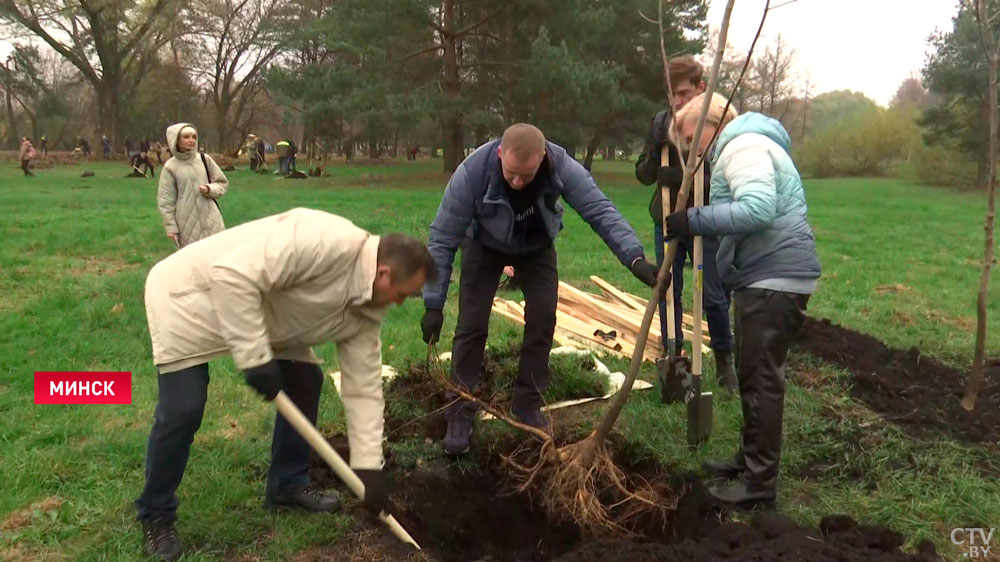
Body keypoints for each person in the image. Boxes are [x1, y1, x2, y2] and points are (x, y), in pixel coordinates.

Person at [137, 208, 435, 561]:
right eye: (403, 294)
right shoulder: (326, 241)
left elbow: (364, 389)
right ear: (384, 274)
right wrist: (254, 356)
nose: (400, 303)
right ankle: (156, 514)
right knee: (183, 407)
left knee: (305, 380)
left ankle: (287, 485)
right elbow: (230, 275)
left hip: (267, 312)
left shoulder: (366, 312)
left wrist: (368, 467)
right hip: (188, 296)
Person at [421, 123, 659, 455]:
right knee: (471, 325)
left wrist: (635, 259)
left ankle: (528, 403)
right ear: (501, 154)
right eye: (511, 174)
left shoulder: (560, 165)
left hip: (536, 248)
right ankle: (460, 410)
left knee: (543, 319)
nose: (518, 181)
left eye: (526, 175)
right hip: (483, 246)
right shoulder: (472, 172)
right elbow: (443, 237)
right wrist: (433, 303)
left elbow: (600, 210)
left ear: (542, 157)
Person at [663, 94, 821, 507]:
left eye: (693, 138)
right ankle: (749, 461)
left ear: (714, 122)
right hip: (767, 276)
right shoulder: (746, 145)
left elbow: (757, 209)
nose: (692, 150)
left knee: (762, 380)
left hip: (774, 278)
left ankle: (759, 484)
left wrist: (693, 219)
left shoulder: (742, 146)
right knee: (755, 376)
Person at [635, 55, 737, 391]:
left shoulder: (716, 120)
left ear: (700, 88)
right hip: (666, 219)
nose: (677, 101)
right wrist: (654, 157)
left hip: (704, 218)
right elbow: (643, 174)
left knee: (712, 293)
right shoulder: (661, 122)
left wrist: (682, 176)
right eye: (671, 93)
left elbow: (725, 179)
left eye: (683, 92)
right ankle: (673, 356)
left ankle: (725, 362)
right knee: (668, 289)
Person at [157, 123, 227, 248]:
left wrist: (210, 189)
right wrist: (171, 227)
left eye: (194, 137)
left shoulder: (204, 159)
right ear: (176, 139)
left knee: (218, 254)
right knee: (194, 261)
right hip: (186, 222)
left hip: (211, 218)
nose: (191, 140)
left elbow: (222, 183)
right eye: (186, 137)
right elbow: (166, 200)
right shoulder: (170, 167)